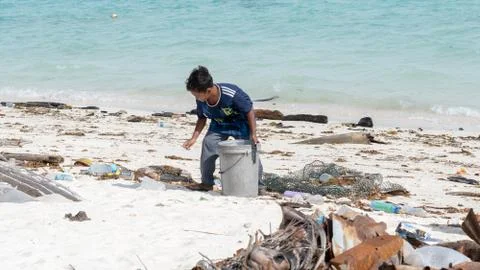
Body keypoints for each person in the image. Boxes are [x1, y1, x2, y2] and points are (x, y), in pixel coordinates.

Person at [182, 65, 262, 191]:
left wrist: (253, 134)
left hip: (240, 124)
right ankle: (207, 183)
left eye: (197, 95)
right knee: (208, 144)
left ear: (208, 91)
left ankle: (258, 184)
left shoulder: (232, 94)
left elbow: (249, 111)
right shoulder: (201, 100)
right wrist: (193, 138)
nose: (196, 98)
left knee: (250, 151)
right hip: (218, 124)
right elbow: (202, 118)